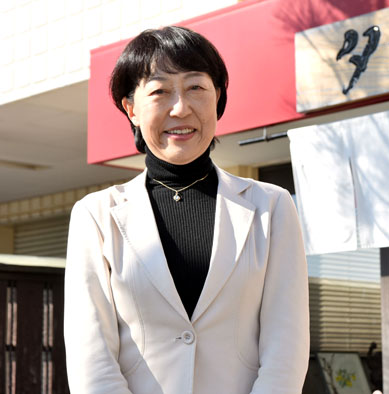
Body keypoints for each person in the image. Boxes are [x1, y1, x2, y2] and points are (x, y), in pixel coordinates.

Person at [64, 26, 310, 394]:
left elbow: (286, 346)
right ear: (131, 109)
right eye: (160, 91)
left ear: (217, 97)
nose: (180, 108)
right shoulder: (96, 216)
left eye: (196, 87)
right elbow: (91, 358)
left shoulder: (271, 206)